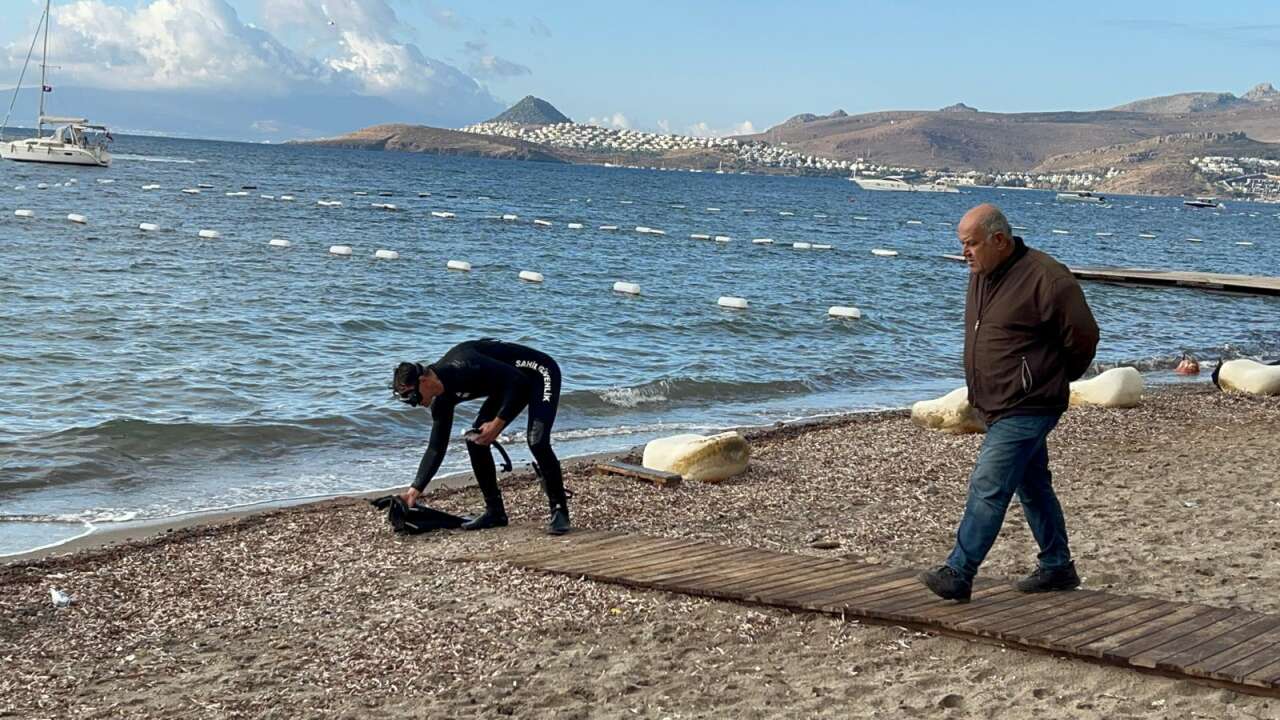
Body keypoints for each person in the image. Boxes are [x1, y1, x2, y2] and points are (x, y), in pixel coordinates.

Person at [919, 204, 1099, 602]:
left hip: (1030, 403)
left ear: (999, 240)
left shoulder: (1048, 279)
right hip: (997, 402)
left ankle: (959, 572)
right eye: (962, 244)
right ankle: (1057, 567)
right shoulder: (983, 272)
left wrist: (1048, 377)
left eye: (970, 244)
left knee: (989, 482)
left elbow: (1083, 337)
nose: (964, 252)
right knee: (1032, 484)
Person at [392, 339, 570, 535]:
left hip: (538, 372)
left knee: (537, 441)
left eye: (412, 397)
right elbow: (436, 448)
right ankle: (495, 512)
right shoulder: (442, 400)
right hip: (508, 384)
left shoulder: (463, 365)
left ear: (423, 381)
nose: (414, 404)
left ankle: (559, 510)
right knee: (475, 439)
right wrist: (412, 493)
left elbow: (520, 383)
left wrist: (496, 425)